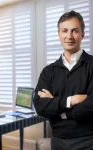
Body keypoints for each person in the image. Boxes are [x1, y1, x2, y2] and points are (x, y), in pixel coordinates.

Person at [33, 10, 93, 150]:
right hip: (58, 142)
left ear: (82, 35)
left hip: (89, 141)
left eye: (74, 31)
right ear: (59, 34)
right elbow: (40, 106)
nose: (69, 36)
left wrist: (59, 110)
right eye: (64, 31)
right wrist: (71, 100)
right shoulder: (48, 71)